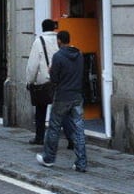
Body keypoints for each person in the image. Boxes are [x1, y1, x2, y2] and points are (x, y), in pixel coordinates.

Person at [37, 30, 88, 172]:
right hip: (77, 96)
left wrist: (50, 70)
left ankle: (48, 158)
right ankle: (81, 163)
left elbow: (54, 79)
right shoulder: (79, 55)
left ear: (59, 41)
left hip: (62, 97)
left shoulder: (58, 56)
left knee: (54, 128)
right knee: (79, 130)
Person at [24, 18, 60, 146]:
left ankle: (39, 137)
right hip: (59, 81)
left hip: (43, 82)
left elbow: (33, 65)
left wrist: (29, 81)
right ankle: (71, 140)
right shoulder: (59, 40)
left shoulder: (39, 42)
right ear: (53, 28)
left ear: (42, 28)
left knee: (40, 111)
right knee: (62, 111)